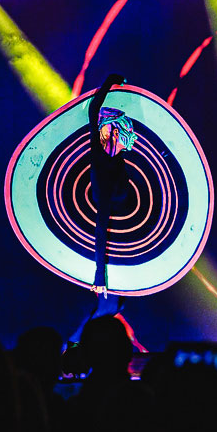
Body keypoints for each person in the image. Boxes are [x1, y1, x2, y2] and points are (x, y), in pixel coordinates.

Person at [87, 72, 136, 314]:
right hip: (114, 205)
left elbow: (94, 109)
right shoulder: (101, 160)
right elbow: (100, 228)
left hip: (123, 196)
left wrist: (110, 81)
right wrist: (100, 276)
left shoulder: (110, 151)